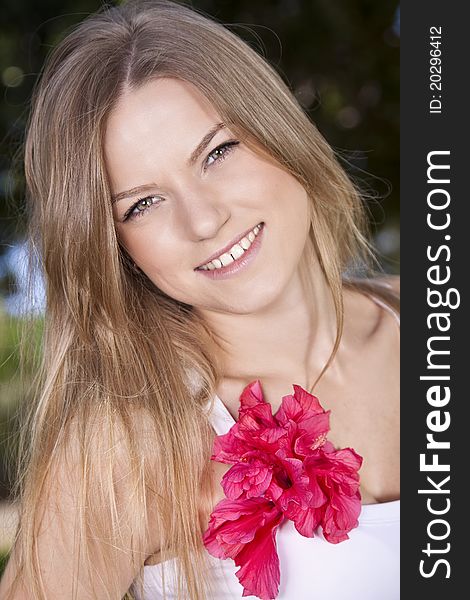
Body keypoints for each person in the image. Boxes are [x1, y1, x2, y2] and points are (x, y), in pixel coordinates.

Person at [0, 0, 400, 598]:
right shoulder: (127, 449)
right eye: (142, 203)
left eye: (218, 152)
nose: (205, 219)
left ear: (278, 129)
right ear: (114, 247)